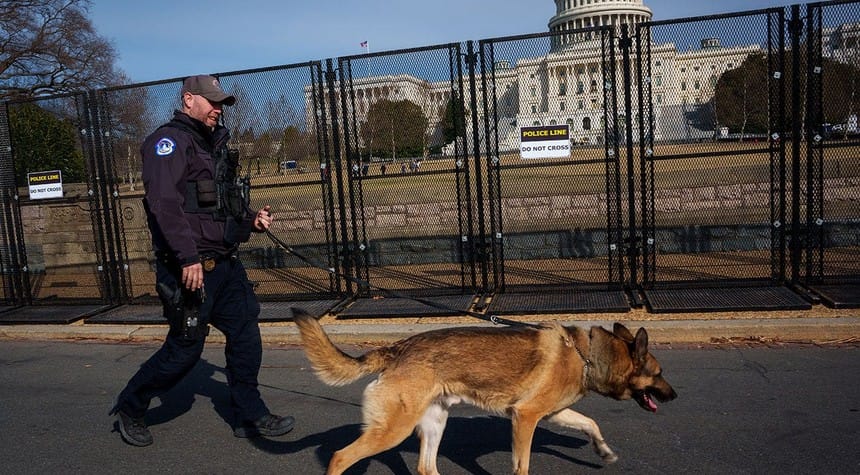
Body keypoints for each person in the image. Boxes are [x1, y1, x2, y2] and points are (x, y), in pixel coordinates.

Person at [110, 75, 294, 447]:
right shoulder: (168, 143)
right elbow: (165, 205)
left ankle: (249, 412)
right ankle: (130, 407)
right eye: (212, 102)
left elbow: (218, 206)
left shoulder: (212, 144)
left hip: (225, 265)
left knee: (245, 334)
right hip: (189, 269)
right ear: (188, 99)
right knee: (185, 349)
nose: (218, 109)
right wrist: (187, 257)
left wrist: (251, 221)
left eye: (221, 103)